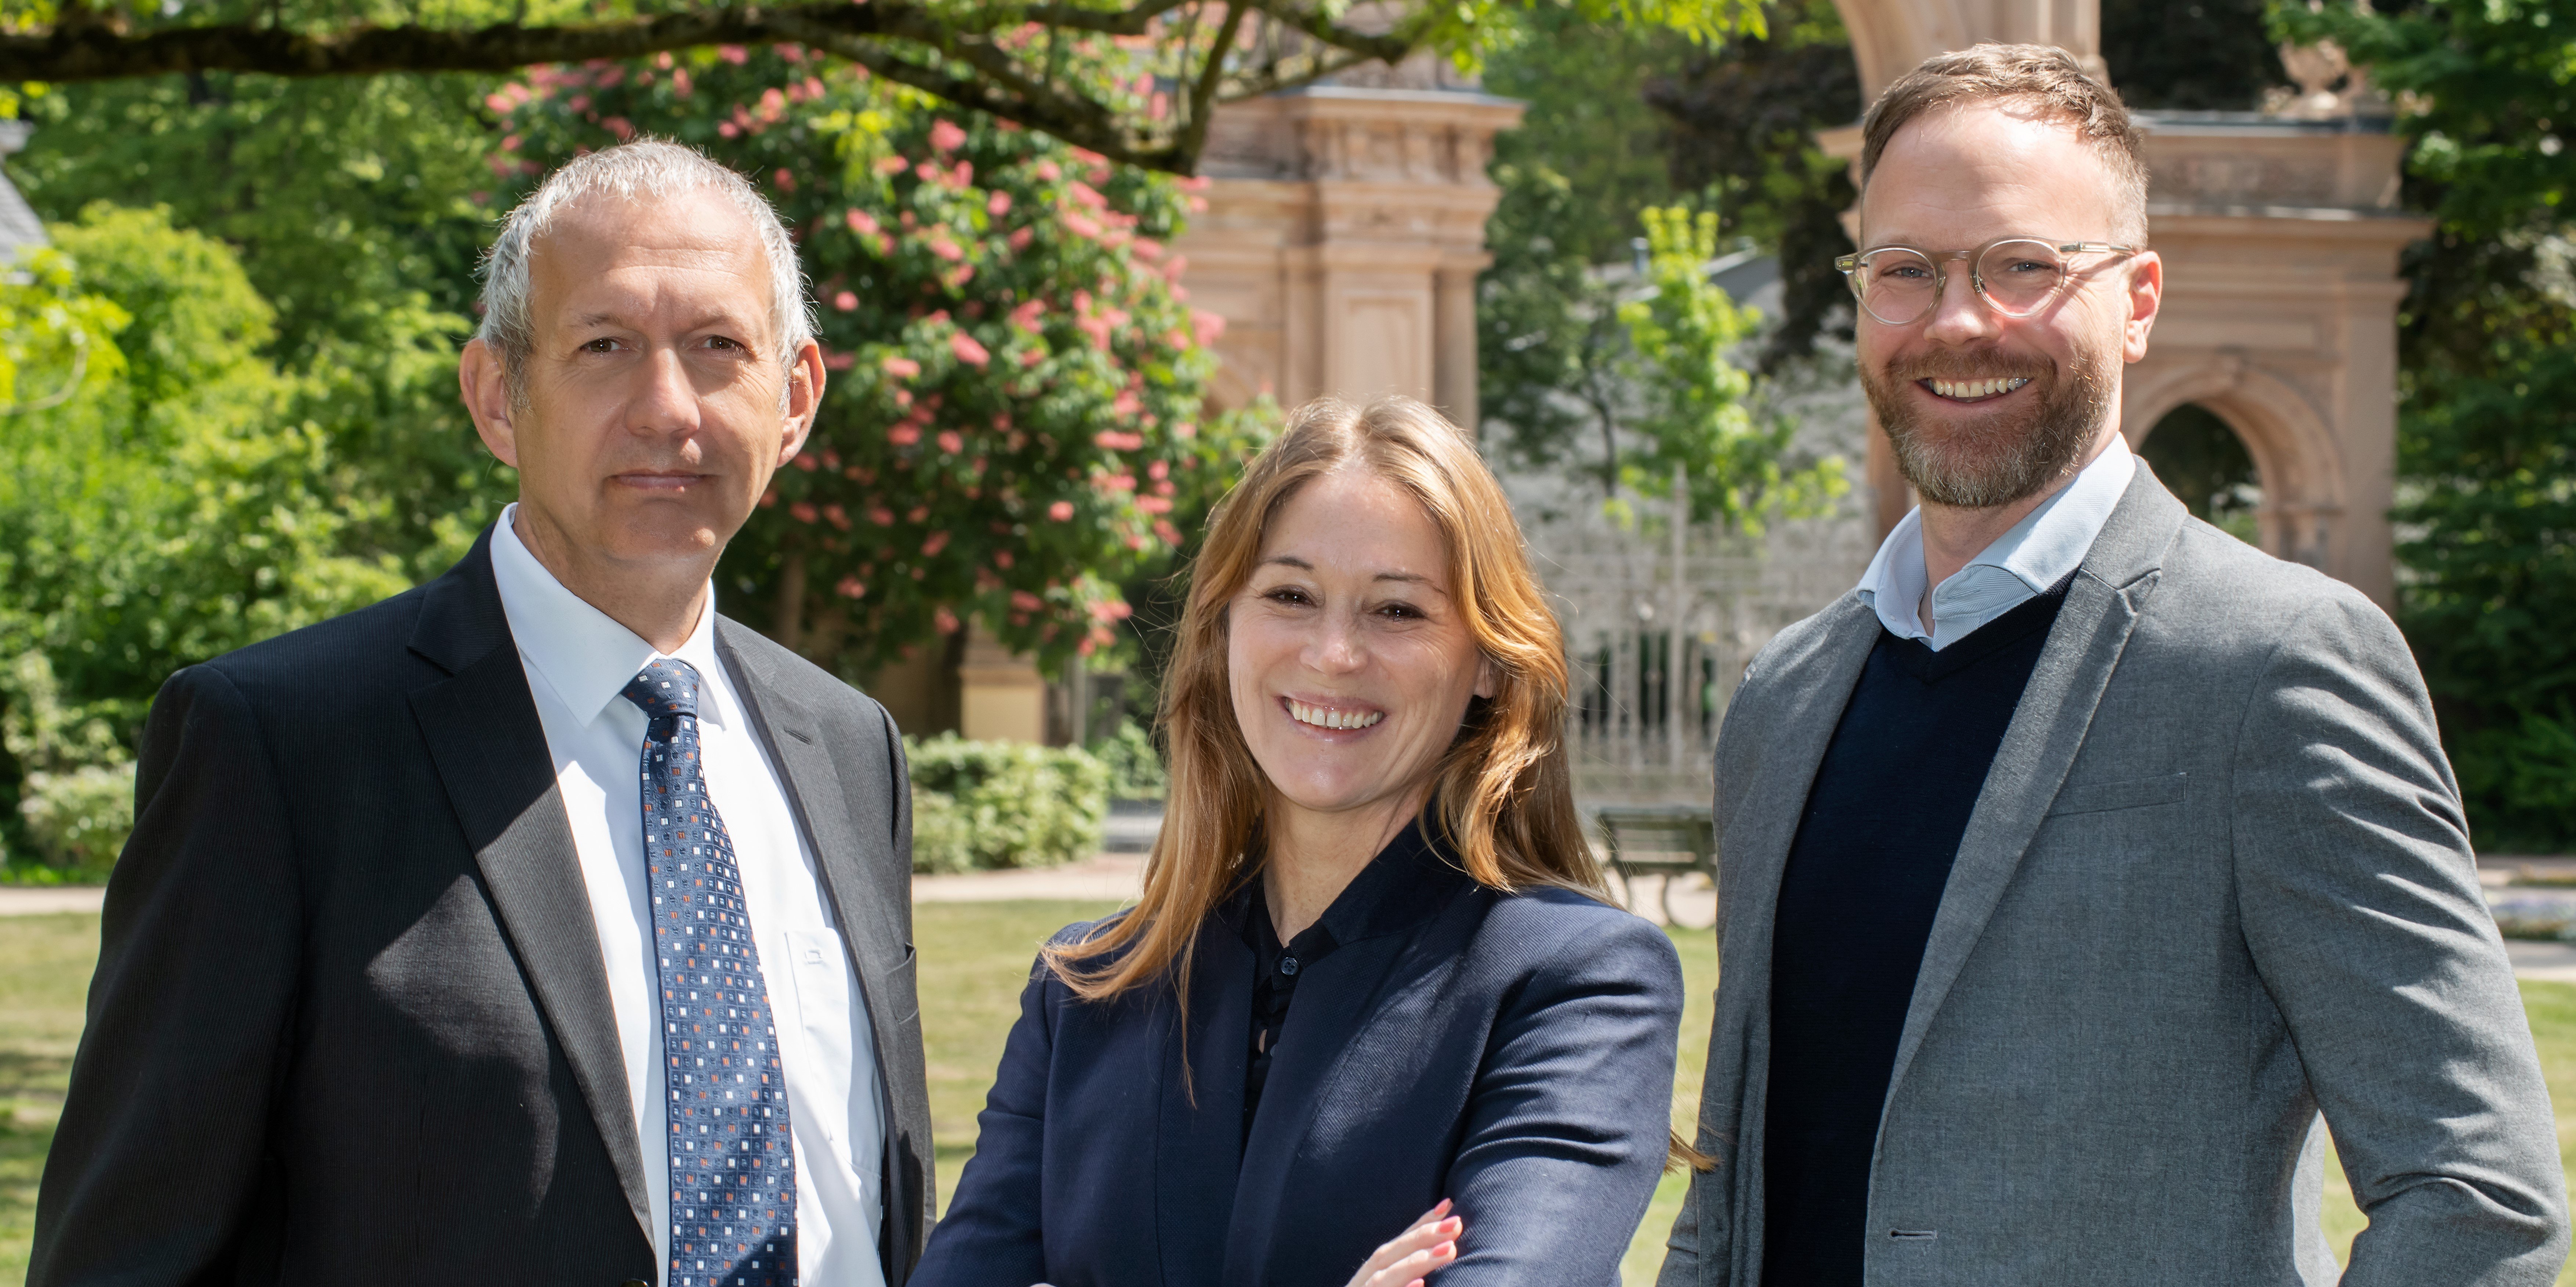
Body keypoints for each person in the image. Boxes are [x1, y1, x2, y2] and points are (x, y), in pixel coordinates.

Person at [1656, 44, 2569, 1287]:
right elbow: (1732, 1192)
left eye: (2020, 264)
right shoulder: (1786, 695)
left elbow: (2477, 1198)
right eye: (1905, 269)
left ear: (2137, 300)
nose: (1956, 319)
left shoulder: (2274, 666)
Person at [30, 141, 933, 1286]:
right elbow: (127, 1254)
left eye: (718, 346)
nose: (668, 408)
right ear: (498, 396)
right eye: (604, 346)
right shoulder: (278, 745)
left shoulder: (850, 745)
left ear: (794, 397)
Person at [910, 395, 1688, 1287]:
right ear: (1223, 629)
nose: (1334, 653)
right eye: (1289, 596)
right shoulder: (1085, 989)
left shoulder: (1576, 985)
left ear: (1486, 660)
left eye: (1396, 610)